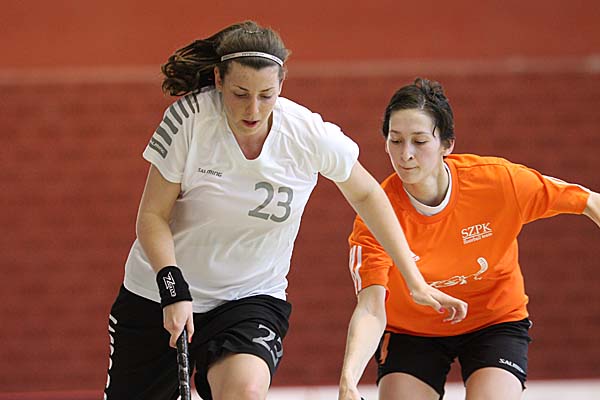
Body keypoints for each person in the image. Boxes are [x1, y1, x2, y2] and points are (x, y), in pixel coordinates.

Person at [103, 23, 467, 400]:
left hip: (248, 297)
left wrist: (414, 279)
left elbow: (367, 194)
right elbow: (152, 216)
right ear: (219, 80)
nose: (253, 109)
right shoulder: (189, 120)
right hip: (159, 293)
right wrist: (172, 286)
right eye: (240, 94)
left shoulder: (306, 134)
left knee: (245, 391)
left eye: (266, 95)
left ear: (281, 85)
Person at [338, 77, 600, 400]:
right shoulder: (375, 214)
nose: (406, 154)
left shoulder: (497, 182)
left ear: (447, 144)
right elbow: (370, 307)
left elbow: (588, 201)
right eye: (395, 140)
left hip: (494, 319)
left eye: (419, 141)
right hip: (412, 331)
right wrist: (349, 379)